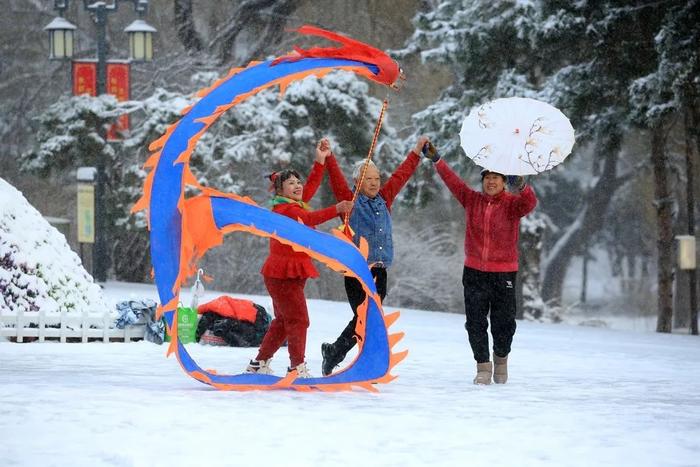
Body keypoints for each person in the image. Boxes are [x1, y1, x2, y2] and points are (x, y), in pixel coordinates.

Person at [424, 142, 537, 385]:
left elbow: (529, 203)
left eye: (496, 177)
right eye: (487, 177)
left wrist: (522, 185)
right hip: (474, 272)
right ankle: (483, 366)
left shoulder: (512, 205)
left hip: (504, 273)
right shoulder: (471, 200)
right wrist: (437, 160)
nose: (491, 182)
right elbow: (453, 182)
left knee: (504, 323)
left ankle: (501, 359)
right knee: (474, 322)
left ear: (504, 181)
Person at [318, 135, 429, 376]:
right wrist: (329, 156)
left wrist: (417, 153)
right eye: (368, 178)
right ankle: (344, 355)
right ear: (357, 181)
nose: (374, 182)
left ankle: (337, 352)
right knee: (364, 318)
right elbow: (336, 180)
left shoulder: (385, 199)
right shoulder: (349, 203)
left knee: (370, 320)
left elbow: (401, 175)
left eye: (377, 178)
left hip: (380, 271)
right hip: (357, 271)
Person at [246, 150, 354, 378]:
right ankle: (297, 367)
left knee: (284, 321)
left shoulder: (295, 205)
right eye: (291, 183)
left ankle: (259, 363)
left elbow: (311, 187)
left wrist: (320, 161)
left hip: (288, 274)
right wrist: (337, 209)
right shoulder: (285, 210)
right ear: (280, 190)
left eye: (298, 182)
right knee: (298, 320)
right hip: (282, 275)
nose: (298, 186)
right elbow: (308, 219)